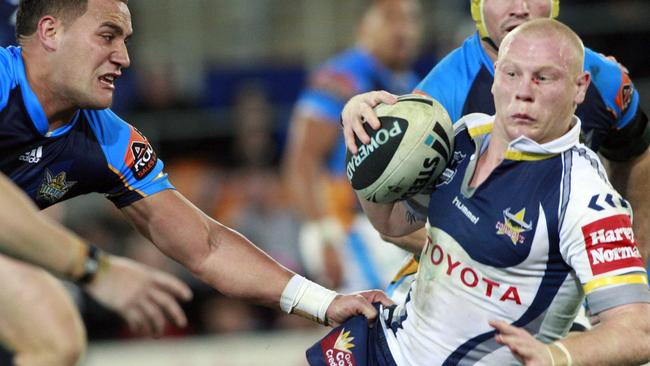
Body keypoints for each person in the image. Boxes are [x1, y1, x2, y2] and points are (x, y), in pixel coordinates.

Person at [0, 0, 391, 365]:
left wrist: (324, 303)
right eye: (107, 36)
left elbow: (207, 245)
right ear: (50, 32)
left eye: (126, 41)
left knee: (55, 341)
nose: (124, 58)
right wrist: (97, 271)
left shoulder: (111, 142)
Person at [308, 19, 650, 365]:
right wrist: (364, 146)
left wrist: (555, 356)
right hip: (389, 342)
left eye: (543, 77)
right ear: (496, 73)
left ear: (580, 87)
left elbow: (638, 331)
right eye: (512, 74)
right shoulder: (463, 135)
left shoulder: (585, 196)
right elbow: (392, 223)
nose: (523, 92)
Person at [283, 0, 421, 292]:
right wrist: (323, 236)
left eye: (410, 20)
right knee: (371, 324)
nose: (402, 30)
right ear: (363, 27)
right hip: (350, 229)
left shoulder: (412, 82)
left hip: (396, 224)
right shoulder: (338, 79)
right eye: (389, 19)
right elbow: (301, 162)